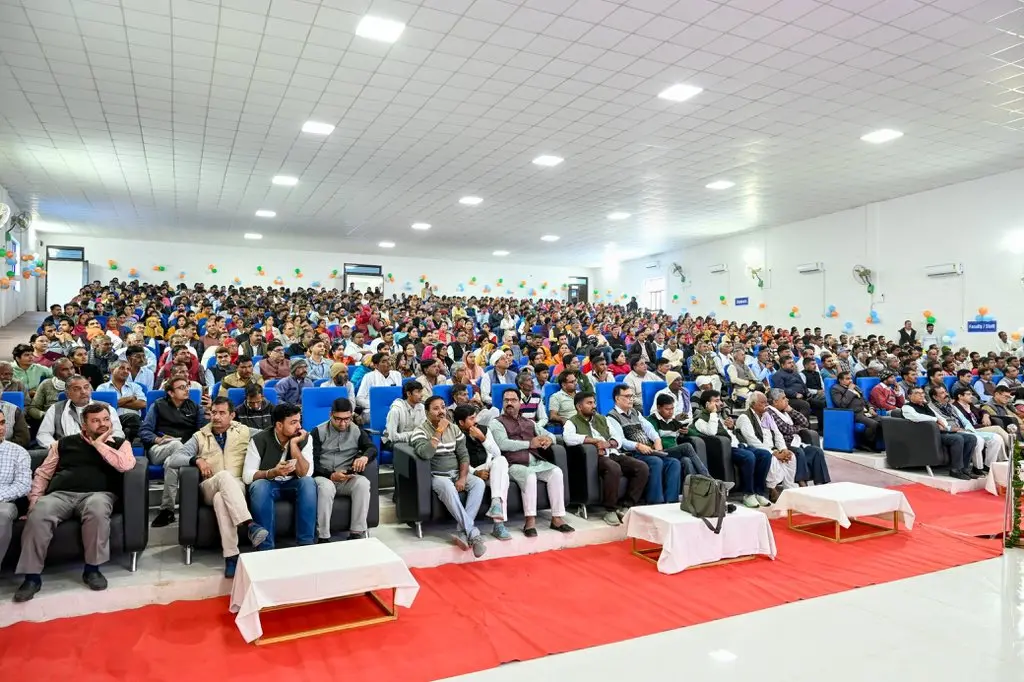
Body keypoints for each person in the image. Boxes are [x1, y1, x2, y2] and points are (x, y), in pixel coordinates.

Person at [13, 403, 136, 602]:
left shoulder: (121, 443)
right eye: (96, 421)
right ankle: (32, 577)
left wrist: (99, 445)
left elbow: (126, 465)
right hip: (61, 494)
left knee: (97, 509)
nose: (103, 424)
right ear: (84, 425)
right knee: (40, 511)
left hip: (98, 494)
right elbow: (43, 474)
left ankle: (92, 569)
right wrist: (35, 500)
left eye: (105, 419)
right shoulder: (63, 443)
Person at [164, 397, 268, 577]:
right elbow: (173, 459)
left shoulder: (244, 431)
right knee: (223, 478)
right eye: (213, 412)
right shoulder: (200, 436)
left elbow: (269, 435)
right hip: (209, 486)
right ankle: (249, 524)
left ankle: (231, 557)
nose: (217, 417)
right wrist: (196, 459)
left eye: (222, 413)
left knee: (222, 499)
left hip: (236, 486)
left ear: (232, 415)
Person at [489, 389, 573, 536]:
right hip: (513, 464)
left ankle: (557, 518)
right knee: (529, 476)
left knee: (556, 472)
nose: (509, 403)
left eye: (513, 400)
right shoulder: (496, 422)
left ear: (520, 403)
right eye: (506, 400)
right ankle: (530, 521)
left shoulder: (529, 422)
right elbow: (502, 444)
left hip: (536, 463)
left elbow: (550, 435)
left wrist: (548, 439)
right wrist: (530, 444)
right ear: (502, 403)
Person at [411, 395, 487, 557]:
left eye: (443, 407)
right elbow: (426, 454)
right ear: (427, 412)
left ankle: (462, 531)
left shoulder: (454, 428)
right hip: (437, 476)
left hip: (456, 473)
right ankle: (473, 533)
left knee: (478, 483)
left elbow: (464, 455)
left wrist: (463, 477)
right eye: (436, 408)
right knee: (448, 487)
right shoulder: (420, 431)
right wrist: (438, 431)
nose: (441, 412)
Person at [562, 391, 649, 526]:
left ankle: (626, 505)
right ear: (579, 407)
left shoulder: (603, 419)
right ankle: (610, 510)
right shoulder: (571, 422)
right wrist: (593, 441)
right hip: (594, 458)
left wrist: (608, 443)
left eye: (594, 402)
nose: (594, 406)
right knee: (613, 468)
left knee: (641, 467)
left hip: (612, 452)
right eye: (589, 403)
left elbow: (617, 438)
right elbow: (568, 438)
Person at [242, 402, 317, 549]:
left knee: (308, 483)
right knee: (259, 486)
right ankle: (266, 547)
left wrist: (294, 445)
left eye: (299, 421)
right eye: (293, 423)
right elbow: (247, 476)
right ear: (279, 425)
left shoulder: (305, 438)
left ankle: (306, 544)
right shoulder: (259, 440)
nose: (299, 427)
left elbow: (306, 473)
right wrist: (272, 473)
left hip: (293, 484)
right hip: (270, 484)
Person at [141, 376, 208, 527]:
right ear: (171, 393)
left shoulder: (195, 407)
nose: (187, 390)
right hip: (160, 448)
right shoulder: (158, 405)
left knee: (171, 463)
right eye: (182, 388)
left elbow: (203, 432)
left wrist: (209, 416)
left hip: (183, 452)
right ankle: (171, 510)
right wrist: (157, 440)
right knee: (176, 446)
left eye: (187, 386)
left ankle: (167, 511)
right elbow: (144, 431)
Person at [690, 390, 772, 508]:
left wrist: (731, 427)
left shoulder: (719, 417)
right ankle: (748, 494)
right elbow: (712, 432)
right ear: (707, 404)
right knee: (749, 457)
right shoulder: (700, 420)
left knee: (765, 455)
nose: (721, 404)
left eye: (720, 400)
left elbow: (729, 434)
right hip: (727, 450)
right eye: (716, 401)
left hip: (739, 445)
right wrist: (713, 412)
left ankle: (759, 492)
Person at [606, 383, 682, 505]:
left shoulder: (636, 412)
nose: (631, 399)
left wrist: (657, 440)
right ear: (617, 398)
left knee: (674, 462)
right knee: (656, 462)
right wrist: (637, 446)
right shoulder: (611, 417)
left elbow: (649, 428)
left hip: (649, 449)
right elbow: (621, 441)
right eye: (627, 396)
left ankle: (671, 501)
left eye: (632, 396)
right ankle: (655, 502)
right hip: (633, 453)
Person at [312, 398, 374, 543]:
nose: (343, 423)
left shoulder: (356, 430)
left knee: (362, 483)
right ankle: (323, 536)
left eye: (347, 419)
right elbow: (312, 463)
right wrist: (330, 475)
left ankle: (357, 532)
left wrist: (364, 457)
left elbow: (371, 448)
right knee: (326, 488)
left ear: (351, 415)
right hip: (323, 476)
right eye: (338, 419)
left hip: (346, 477)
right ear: (330, 415)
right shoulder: (317, 431)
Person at [452, 403, 511, 540]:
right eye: (471, 419)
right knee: (504, 480)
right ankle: (499, 525)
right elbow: (458, 459)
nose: (476, 421)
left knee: (501, 460)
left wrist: (482, 438)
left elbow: (496, 453)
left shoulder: (484, 430)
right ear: (461, 422)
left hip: (489, 468)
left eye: (475, 417)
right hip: (471, 471)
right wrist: (475, 473)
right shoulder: (455, 434)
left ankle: (495, 503)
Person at [901, 386, 978, 480]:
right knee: (957, 439)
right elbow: (916, 417)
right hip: (927, 435)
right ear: (909, 396)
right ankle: (955, 469)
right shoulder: (907, 407)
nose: (921, 395)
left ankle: (965, 468)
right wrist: (935, 420)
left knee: (971, 438)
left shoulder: (925, 405)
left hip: (941, 432)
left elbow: (940, 418)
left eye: (922, 393)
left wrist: (947, 427)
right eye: (918, 393)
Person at [735, 392, 796, 499]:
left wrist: (783, 449)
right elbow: (752, 441)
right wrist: (774, 453)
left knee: (791, 457)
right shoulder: (745, 417)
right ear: (753, 404)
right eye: (762, 403)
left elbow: (777, 434)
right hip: (758, 449)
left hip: (773, 448)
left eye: (766, 402)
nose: (766, 405)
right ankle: (771, 489)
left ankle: (788, 489)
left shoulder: (767, 415)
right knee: (771, 458)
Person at [36, 375, 124, 448]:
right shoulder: (56, 409)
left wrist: (104, 445)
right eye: (77, 389)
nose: (83, 392)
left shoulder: (106, 407)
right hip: (68, 453)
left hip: (101, 450)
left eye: (86, 387)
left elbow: (118, 432)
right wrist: (58, 447)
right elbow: (43, 434)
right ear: (67, 394)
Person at [764, 389, 830, 485]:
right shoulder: (769, 413)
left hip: (794, 441)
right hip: (782, 444)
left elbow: (805, 423)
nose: (787, 400)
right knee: (799, 452)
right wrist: (798, 428)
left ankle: (820, 484)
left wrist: (791, 411)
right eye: (783, 398)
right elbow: (785, 429)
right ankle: (802, 483)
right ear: (775, 402)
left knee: (817, 451)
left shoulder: (785, 411)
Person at [646, 394, 709, 482]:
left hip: (674, 451)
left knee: (686, 460)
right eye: (667, 409)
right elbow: (655, 439)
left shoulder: (672, 421)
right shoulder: (652, 420)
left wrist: (687, 431)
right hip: (661, 451)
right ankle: (708, 478)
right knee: (686, 446)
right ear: (658, 407)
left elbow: (695, 433)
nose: (671, 412)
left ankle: (693, 488)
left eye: (672, 409)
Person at [0, 411, 31, 568]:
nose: (1, 428)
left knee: (2, 514)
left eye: (2, 423)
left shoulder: (18, 452)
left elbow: (23, 485)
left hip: (6, 502)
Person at [950, 387, 1006, 471]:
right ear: (960, 396)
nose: (971, 396)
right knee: (997, 429)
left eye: (971, 394)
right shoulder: (955, 407)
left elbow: (982, 411)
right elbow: (966, 424)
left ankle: (991, 465)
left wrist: (985, 416)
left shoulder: (970, 405)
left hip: (978, 427)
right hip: (972, 429)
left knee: (998, 438)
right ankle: (1014, 449)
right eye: (968, 394)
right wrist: (981, 425)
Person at [97, 359, 146, 442]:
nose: (126, 371)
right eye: (122, 368)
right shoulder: (102, 388)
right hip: (112, 420)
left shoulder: (135, 387)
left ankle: (132, 439)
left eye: (128, 369)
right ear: (112, 370)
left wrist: (114, 403)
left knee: (132, 417)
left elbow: (142, 404)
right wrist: (129, 398)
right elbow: (102, 407)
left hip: (134, 421)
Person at [830, 371, 881, 451]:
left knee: (884, 421)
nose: (850, 381)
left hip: (866, 412)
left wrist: (871, 408)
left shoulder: (855, 387)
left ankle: (881, 444)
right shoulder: (836, 389)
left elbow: (864, 400)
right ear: (840, 380)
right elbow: (841, 404)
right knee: (873, 424)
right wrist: (849, 391)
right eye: (847, 379)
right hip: (854, 413)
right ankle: (867, 443)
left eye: (851, 378)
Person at [27, 357, 74, 426]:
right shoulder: (46, 384)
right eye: (64, 370)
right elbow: (32, 408)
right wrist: (45, 415)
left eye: (72, 368)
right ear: (55, 373)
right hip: (50, 423)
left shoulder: (82, 383)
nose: (70, 372)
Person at [355, 352, 402, 420]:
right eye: (384, 361)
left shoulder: (397, 375)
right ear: (375, 365)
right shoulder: (369, 376)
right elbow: (359, 398)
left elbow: (399, 396)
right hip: (374, 409)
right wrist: (375, 404)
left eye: (388, 359)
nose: (388, 363)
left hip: (393, 408)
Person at [384, 380, 426, 447]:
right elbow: (392, 437)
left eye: (421, 391)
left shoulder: (422, 407)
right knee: (416, 451)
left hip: (414, 440)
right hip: (394, 442)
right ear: (408, 394)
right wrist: (414, 435)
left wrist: (417, 435)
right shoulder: (396, 410)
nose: (421, 395)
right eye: (418, 392)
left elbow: (424, 431)